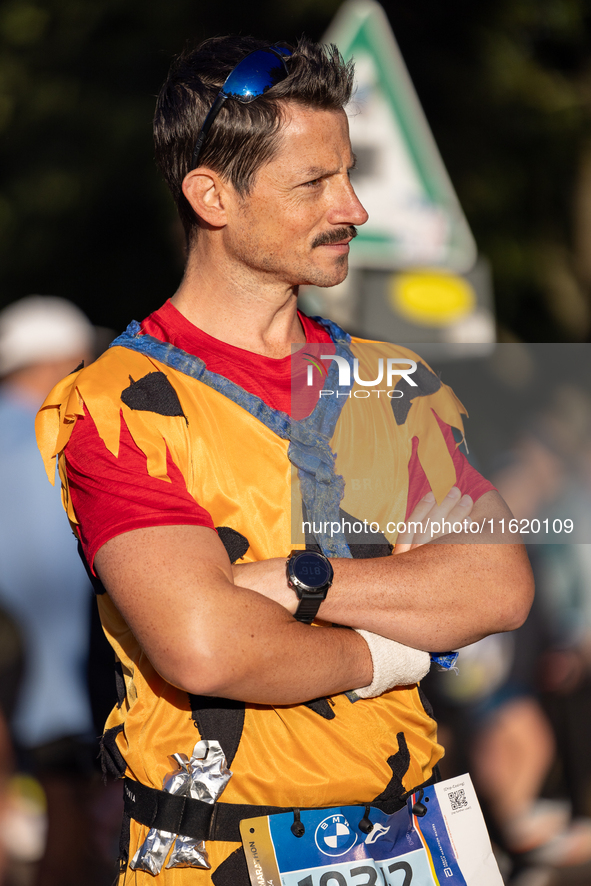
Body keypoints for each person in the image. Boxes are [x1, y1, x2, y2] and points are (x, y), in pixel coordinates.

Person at [35, 36, 533, 885]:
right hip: (219, 853)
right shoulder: (118, 402)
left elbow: (496, 585)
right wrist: (393, 652)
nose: (353, 210)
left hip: (410, 841)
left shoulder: (395, 381)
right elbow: (205, 645)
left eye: (349, 175)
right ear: (212, 196)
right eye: (314, 183)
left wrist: (301, 580)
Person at [0, 296, 114, 885]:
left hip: (27, 697)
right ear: (58, 364)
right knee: (72, 840)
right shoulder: (53, 443)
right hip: (60, 700)